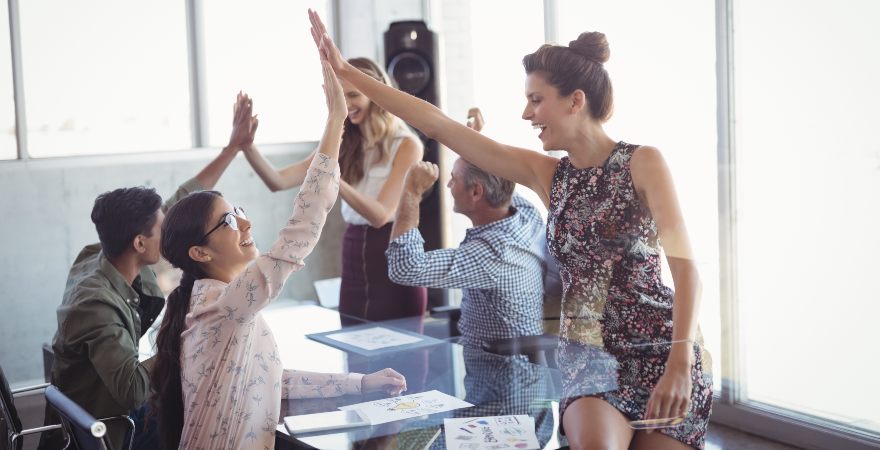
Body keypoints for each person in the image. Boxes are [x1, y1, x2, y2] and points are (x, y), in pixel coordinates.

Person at [308, 10, 712, 450]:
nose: (526, 113)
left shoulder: (644, 162)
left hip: (661, 348)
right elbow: (438, 124)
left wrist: (679, 362)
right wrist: (347, 72)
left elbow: (687, 271)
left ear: (575, 101)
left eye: (536, 100)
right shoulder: (545, 175)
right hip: (590, 358)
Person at [150, 62, 407, 450]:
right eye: (229, 222)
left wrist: (362, 384)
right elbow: (299, 234)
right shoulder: (222, 305)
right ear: (199, 251)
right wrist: (335, 118)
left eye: (237, 212)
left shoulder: (218, 302)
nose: (246, 223)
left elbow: (272, 379)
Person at [38, 93, 257, 450]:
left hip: (98, 406)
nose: (170, 231)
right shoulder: (96, 304)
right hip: (108, 428)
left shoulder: (103, 252)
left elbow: (183, 199)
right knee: (203, 411)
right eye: (162, 229)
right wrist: (186, 337)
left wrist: (232, 147)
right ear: (140, 243)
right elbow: (134, 389)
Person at [241, 57, 426, 322]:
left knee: (402, 356)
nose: (347, 104)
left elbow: (381, 215)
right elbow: (277, 181)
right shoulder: (341, 141)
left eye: (354, 95)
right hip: (352, 255)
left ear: (375, 94)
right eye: (341, 96)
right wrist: (247, 147)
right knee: (354, 355)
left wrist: (333, 177)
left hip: (390, 255)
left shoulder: (407, 145)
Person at [386, 109, 545, 348]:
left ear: (475, 192)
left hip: (496, 376)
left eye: (454, 178)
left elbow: (404, 268)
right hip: (514, 371)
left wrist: (411, 192)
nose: (448, 184)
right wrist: (475, 141)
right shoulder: (526, 216)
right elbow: (502, 176)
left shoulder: (492, 254)